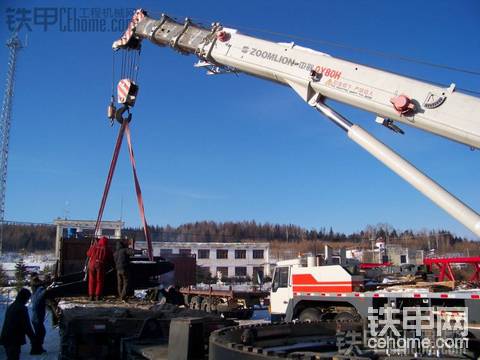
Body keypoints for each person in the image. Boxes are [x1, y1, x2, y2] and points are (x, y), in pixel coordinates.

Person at [0, 288, 36, 360]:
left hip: (7, 337)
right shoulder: (21, 308)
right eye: (28, 298)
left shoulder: (12, 305)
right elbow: (27, 326)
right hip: (13, 339)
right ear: (24, 297)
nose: (27, 300)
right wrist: (33, 339)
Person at [86, 236, 113, 301]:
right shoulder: (106, 248)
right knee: (99, 281)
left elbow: (88, 254)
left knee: (91, 280)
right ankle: (98, 296)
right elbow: (110, 257)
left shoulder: (94, 246)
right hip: (100, 265)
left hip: (92, 264)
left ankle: (91, 296)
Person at [30, 277, 47, 355]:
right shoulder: (39, 291)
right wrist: (46, 289)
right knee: (40, 333)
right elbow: (42, 295)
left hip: (36, 317)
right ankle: (35, 349)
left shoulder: (35, 292)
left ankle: (37, 348)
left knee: (40, 333)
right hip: (37, 317)